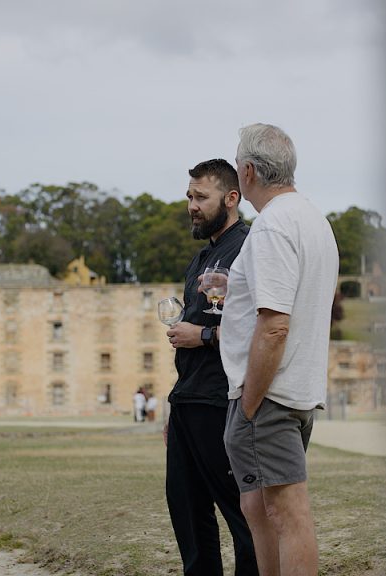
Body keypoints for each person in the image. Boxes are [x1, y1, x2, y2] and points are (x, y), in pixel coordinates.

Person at [220, 124, 338, 575]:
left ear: (248, 171)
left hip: (270, 393)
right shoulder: (313, 220)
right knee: (260, 508)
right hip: (296, 390)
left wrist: (250, 403)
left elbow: (274, 326)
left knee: (287, 512)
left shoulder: (272, 225)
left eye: (237, 164)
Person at [163, 158, 257, 575]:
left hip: (222, 401)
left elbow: (258, 329)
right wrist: (175, 407)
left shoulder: (249, 249)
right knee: (186, 509)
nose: (192, 206)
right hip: (187, 400)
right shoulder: (201, 258)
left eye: (201, 197)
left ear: (231, 198)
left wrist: (200, 335)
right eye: (189, 196)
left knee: (242, 514)